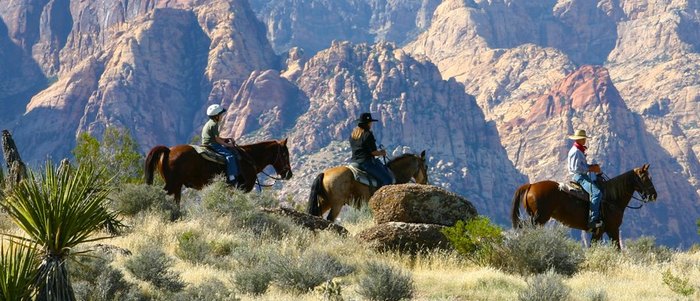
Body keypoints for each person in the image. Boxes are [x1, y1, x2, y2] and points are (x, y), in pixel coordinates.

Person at [567, 129, 603, 231]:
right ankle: (592, 220)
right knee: (597, 193)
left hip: (582, 175)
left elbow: (581, 166)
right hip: (579, 177)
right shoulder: (576, 152)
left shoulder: (578, 150)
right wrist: (591, 168)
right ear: (579, 139)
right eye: (583, 139)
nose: (585, 140)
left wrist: (591, 166)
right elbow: (576, 169)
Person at [350, 112, 395, 188]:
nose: (371, 124)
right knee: (388, 180)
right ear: (368, 123)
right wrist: (382, 153)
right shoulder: (368, 134)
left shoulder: (353, 135)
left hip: (354, 162)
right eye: (370, 122)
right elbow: (373, 153)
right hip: (366, 163)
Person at [202, 104, 240, 185]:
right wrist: (229, 145)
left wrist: (227, 139)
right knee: (230, 156)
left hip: (209, 142)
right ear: (216, 116)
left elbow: (216, 137)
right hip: (212, 144)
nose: (222, 116)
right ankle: (232, 176)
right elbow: (217, 140)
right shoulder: (214, 124)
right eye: (220, 115)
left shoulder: (210, 123)